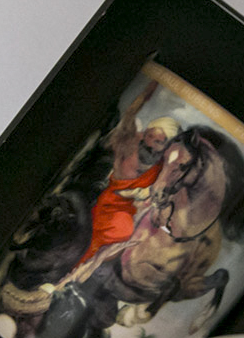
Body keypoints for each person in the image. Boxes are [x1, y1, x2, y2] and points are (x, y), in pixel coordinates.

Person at [74, 81, 179, 269]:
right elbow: (130, 115)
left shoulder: (163, 165)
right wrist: (144, 96)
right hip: (104, 194)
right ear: (145, 133)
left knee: (124, 230)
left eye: (158, 142)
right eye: (150, 136)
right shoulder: (130, 141)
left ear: (166, 145)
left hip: (125, 207)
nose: (151, 144)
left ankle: (85, 266)